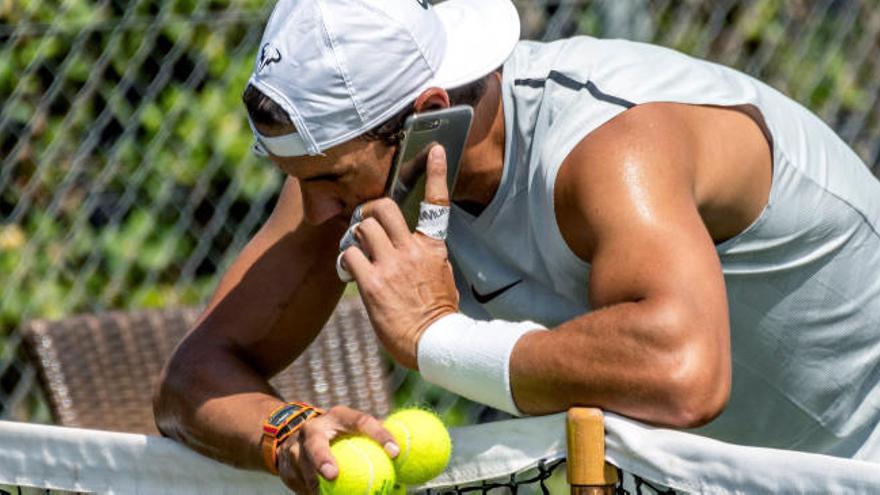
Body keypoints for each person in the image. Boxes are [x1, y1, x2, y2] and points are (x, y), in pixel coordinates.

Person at [153, 0, 880, 492]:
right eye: (298, 179)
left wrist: (436, 338)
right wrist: (287, 435)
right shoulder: (354, 162)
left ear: (429, 117)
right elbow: (193, 380)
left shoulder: (610, 145)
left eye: (331, 178)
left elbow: (684, 370)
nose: (316, 210)